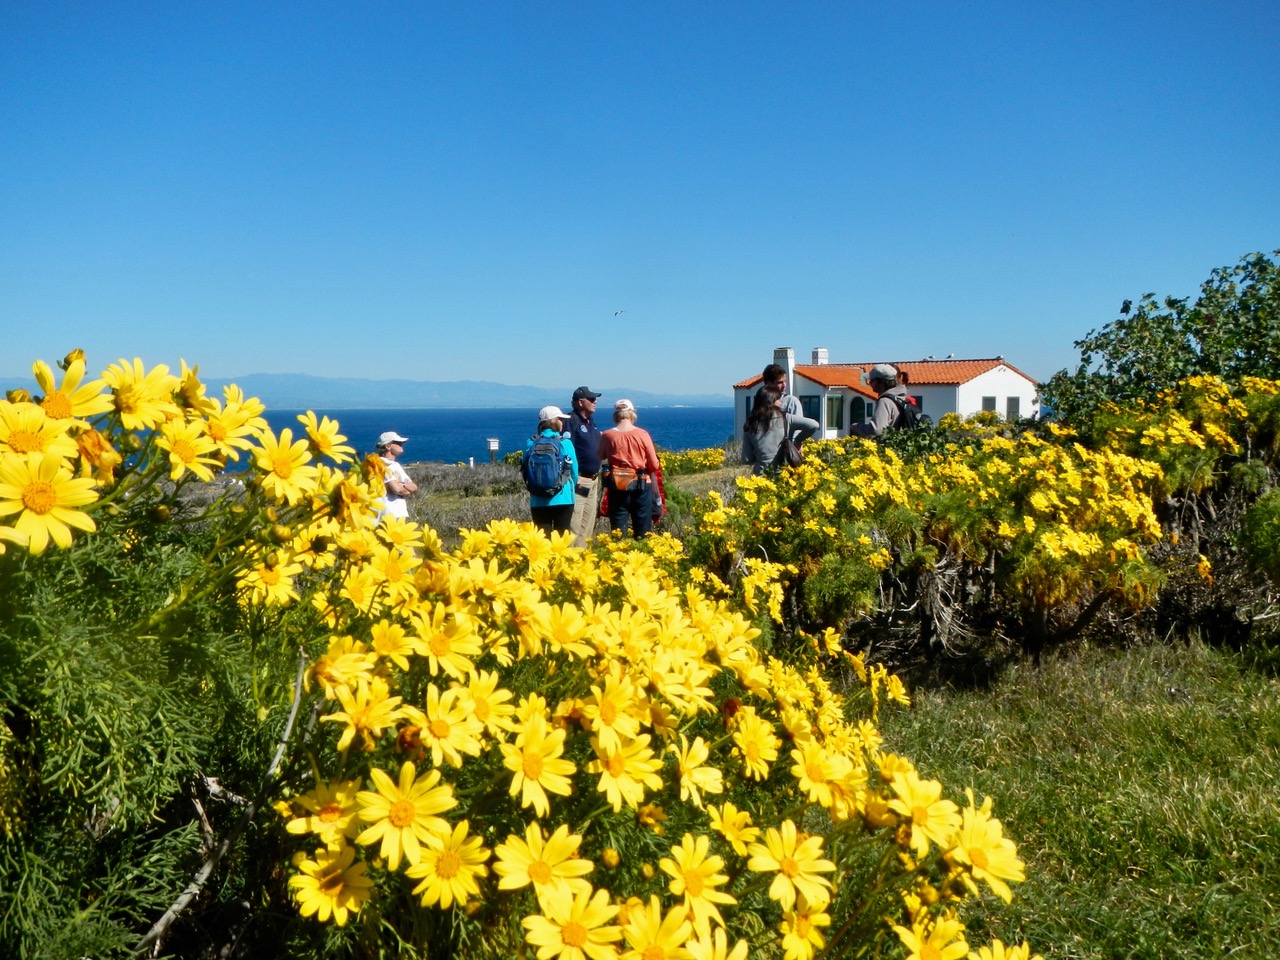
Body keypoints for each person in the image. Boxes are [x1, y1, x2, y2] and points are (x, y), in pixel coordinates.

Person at [598, 398, 661, 537]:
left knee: (618, 532)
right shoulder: (642, 434)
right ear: (632, 414)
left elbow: (600, 456)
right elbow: (654, 465)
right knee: (643, 531)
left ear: (616, 415)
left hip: (617, 487)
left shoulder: (608, 435)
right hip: (642, 485)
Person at [523, 405, 579, 535]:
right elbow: (574, 471)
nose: (562, 422)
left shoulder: (531, 443)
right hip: (563, 497)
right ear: (555, 421)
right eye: (560, 419)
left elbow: (525, 468)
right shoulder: (565, 443)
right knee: (561, 539)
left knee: (543, 539)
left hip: (538, 499)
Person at [741, 384, 820, 474]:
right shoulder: (786, 418)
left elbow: (746, 459)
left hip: (760, 477)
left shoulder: (750, 424)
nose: (781, 402)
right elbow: (814, 425)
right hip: (784, 474)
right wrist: (798, 441)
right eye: (778, 399)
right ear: (772, 401)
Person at [567, 386, 603, 546]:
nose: (595, 402)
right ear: (581, 403)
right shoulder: (570, 421)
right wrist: (573, 477)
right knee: (575, 523)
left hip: (594, 479)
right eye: (591, 399)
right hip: (580, 480)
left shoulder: (591, 423)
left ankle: (582, 560)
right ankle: (570, 560)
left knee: (587, 525)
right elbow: (566, 451)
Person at [853, 363, 912, 437]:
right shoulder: (902, 397)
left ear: (881, 382)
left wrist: (857, 427)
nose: (870, 383)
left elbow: (876, 430)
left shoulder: (884, 401)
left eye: (872, 380)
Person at [374, 431, 417, 520]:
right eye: (398, 443)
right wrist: (405, 486)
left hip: (400, 512)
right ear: (388, 446)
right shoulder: (380, 464)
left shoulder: (395, 465)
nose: (401, 444)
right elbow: (398, 489)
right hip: (387, 514)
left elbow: (414, 487)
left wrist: (402, 485)